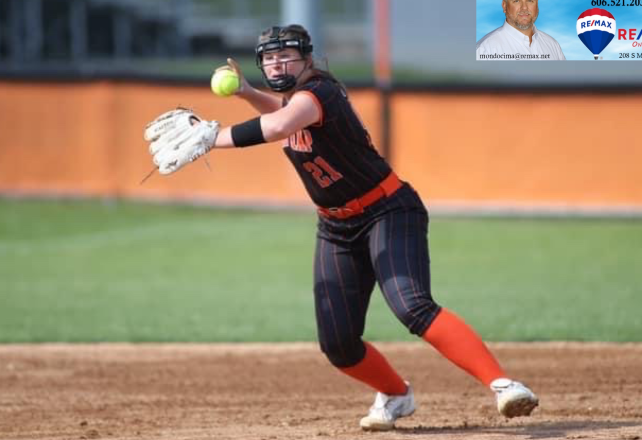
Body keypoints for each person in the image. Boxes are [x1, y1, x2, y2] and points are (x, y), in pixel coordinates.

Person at [145, 24, 539, 431]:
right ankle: (395, 395)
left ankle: (503, 385)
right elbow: (282, 116)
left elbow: (279, 126)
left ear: (307, 59)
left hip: (388, 210)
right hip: (336, 226)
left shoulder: (321, 92)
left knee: (412, 306)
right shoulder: (297, 101)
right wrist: (246, 92)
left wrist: (211, 137)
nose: (277, 64)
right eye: (269, 58)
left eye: (286, 55)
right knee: (337, 343)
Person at [476, 0, 565, 60]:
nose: (524, 8)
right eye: (516, 1)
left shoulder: (552, 45)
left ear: (537, 5)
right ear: (504, 6)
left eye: (530, 0)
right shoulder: (484, 50)